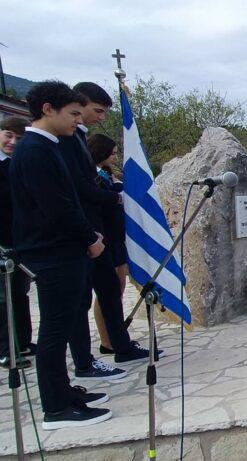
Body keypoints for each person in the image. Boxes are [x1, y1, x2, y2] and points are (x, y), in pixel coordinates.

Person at [10, 81, 111, 428]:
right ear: (48, 109)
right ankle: (56, 407)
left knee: (65, 322)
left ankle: (65, 392)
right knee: (54, 332)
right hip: (52, 252)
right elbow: (56, 206)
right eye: (72, 114)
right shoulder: (34, 150)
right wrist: (89, 237)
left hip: (63, 249)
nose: (77, 121)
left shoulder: (48, 145)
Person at [57, 83, 131, 381]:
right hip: (84, 235)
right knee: (80, 302)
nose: (100, 118)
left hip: (97, 233)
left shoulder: (76, 137)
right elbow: (78, 190)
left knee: (111, 289)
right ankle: (84, 362)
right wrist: (115, 198)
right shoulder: (65, 140)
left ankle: (121, 345)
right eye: (96, 111)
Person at [86, 133, 154, 365]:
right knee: (107, 292)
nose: (115, 157)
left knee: (118, 289)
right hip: (105, 236)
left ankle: (117, 335)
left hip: (117, 237)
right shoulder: (92, 175)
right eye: (112, 153)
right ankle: (107, 340)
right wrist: (116, 197)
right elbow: (97, 200)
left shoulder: (108, 174)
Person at [0, 117, 34, 369]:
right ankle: (6, 350)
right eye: (8, 135)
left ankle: (22, 342)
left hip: (19, 241)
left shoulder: (17, 165)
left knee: (19, 294)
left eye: (18, 139)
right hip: (2, 243)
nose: (12, 142)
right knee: (3, 299)